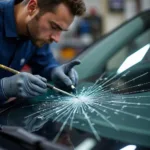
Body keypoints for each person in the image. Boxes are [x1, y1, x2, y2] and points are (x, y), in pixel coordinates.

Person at [0, 0, 86, 102]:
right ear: (32, 8)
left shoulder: (35, 34)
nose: (56, 39)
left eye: (61, 31)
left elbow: (44, 63)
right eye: (54, 27)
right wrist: (3, 88)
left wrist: (54, 71)